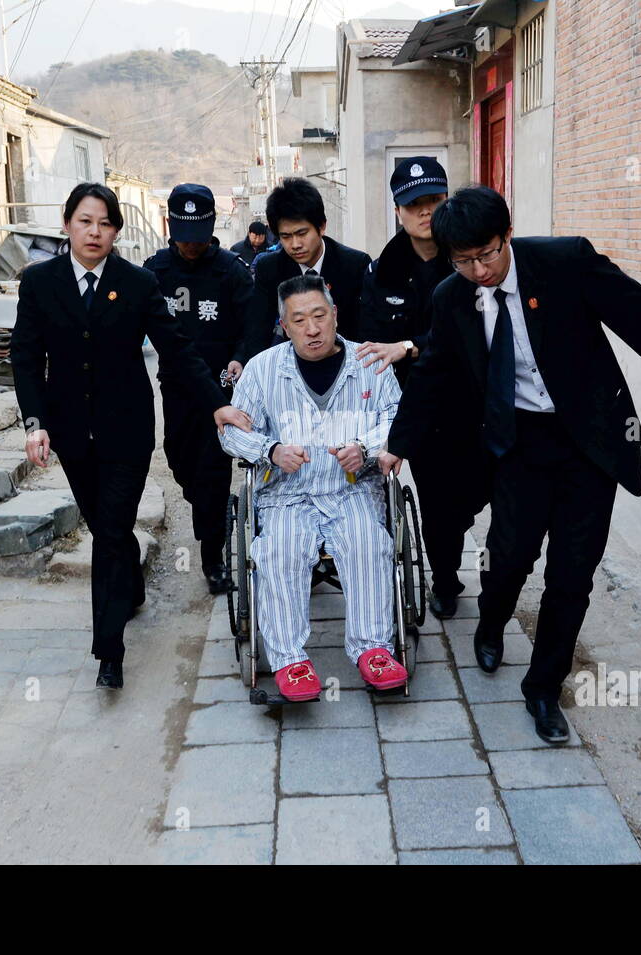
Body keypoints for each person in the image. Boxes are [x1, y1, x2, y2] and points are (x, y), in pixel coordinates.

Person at [379, 187, 641, 744]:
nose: (479, 270)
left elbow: (639, 314)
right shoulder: (451, 297)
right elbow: (434, 373)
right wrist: (398, 444)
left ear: (506, 235)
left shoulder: (564, 262)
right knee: (510, 554)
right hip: (520, 442)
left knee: (572, 571)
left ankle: (543, 685)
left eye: (487, 254)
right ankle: (490, 623)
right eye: (463, 261)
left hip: (588, 439)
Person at [11, 182, 251, 691]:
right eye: (84, 221)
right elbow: (27, 358)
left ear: (117, 230)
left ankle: (109, 651)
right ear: (66, 223)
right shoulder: (39, 283)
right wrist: (35, 423)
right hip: (72, 432)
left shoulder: (138, 283)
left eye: (104, 223)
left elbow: (179, 349)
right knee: (106, 527)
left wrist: (218, 404)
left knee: (113, 529)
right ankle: (133, 585)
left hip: (128, 428)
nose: (94, 232)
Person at [219, 273, 407, 701]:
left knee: (368, 542)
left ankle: (373, 650)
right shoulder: (263, 370)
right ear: (284, 326)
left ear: (335, 314)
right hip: (286, 494)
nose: (312, 328)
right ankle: (289, 660)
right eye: (299, 319)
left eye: (320, 315)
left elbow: (399, 418)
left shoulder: (370, 362)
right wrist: (270, 450)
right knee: (278, 550)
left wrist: (367, 447)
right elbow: (231, 433)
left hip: (353, 489)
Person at [355, 156, 488, 620]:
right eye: (415, 204)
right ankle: (446, 581)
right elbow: (374, 340)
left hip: (478, 400)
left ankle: (464, 526)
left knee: (480, 491)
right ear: (398, 210)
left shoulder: (471, 260)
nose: (426, 212)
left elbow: (475, 330)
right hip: (422, 407)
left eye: (434, 200)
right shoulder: (383, 270)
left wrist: (410, 345)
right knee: (437, 505)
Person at [144, 184, 253, 594]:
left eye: (200, 234)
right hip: (177, 388)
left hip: (223, 389)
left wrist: (241, 357)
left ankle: (213, 559)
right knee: (179, 461)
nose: (192, 244)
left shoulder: (232, 270)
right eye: (185, 233)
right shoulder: (154, 272)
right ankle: (209, 507)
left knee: (211, 471)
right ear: (171, 226)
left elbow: (250, 325)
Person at [240, 177, 371, 361]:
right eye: (285, 236)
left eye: (302, 233)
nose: (295, 244)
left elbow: (365, 330)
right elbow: (257, 331)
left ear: (322, 226)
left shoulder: (355, 265)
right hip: (292, 364)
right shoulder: (269, 268)